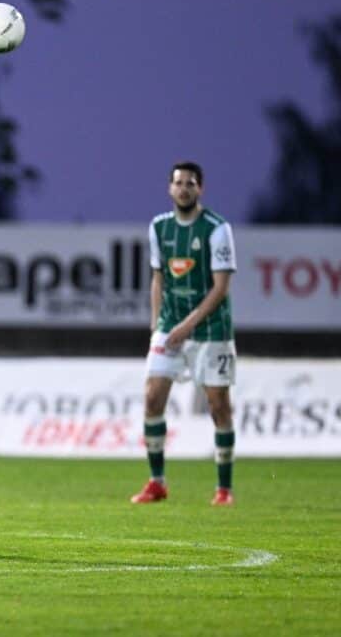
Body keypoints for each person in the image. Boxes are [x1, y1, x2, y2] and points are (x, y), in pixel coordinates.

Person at [131, 161, 238, 507]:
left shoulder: (217, 229)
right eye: (178, 183)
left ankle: (223, 489)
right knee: (151, 399)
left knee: (218, 406)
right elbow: (158, 278)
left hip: (210, 330)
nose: (184, 188)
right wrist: (156, 328)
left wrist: (186, 326)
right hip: (169, 329)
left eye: (190, 183)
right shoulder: (159, 227)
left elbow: (220, 288)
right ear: (169, 188)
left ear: (200, 189)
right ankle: (157, 482)